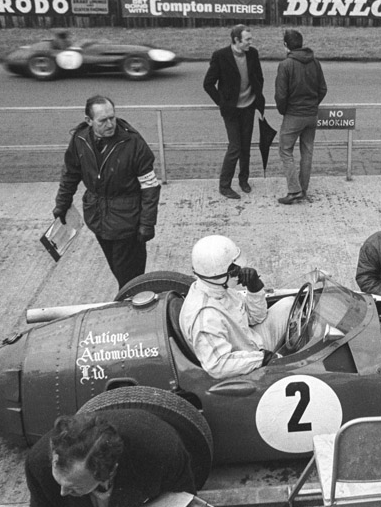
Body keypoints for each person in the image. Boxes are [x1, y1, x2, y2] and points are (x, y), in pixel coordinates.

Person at [53, 95, 161, 290]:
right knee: (117, 270)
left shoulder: (134, 143)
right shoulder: (80, 140)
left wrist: (147, 223)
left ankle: (132, 306)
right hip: (97, 219)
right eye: (103, 120)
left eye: (112, 117)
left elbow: (150, 186)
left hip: (128, 223)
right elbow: (70, 173)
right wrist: (62, 203)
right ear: (89, 121)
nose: (110, 124)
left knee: (130, 278)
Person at [25, 409, 196, 507]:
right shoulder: (37, 463)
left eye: (74, 488)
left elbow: (183, 499)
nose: (62, 492)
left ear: (109, 472)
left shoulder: (162, 451)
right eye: (59, 480)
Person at [179, 235, 294, 379]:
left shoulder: (219, 288)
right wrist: (262, 359)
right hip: (245, 362)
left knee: (289, 304)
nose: (240, 272)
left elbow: (256, 317)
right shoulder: (206, 317)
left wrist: (254, 288)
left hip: (249, 340)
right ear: (219, 274)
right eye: (235, 270)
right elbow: (218, 365)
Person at [203, 24, 266, 200]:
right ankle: (224, 186)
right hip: (231, 111)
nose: (250, 43)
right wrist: (222, 104)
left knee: (246, 147)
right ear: (236, 40)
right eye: (247, 40)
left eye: (250, 39)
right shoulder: (220, 56)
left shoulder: (252, 53)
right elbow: (208, 84)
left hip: (249, 107)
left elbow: (259, 77)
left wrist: (257, 96)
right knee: (235, 147)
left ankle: (243, 180)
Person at [274, 29, 328, 205]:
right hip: (311, 115)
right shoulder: (315, 62)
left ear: (286, 45)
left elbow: (281, 95)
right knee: (307, 152)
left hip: (293, 114)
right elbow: (323, 89)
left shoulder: (285, 65)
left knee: (285, 150)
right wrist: (313, 105)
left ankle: (294, 190)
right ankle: (303, 189)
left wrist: (284, 111)